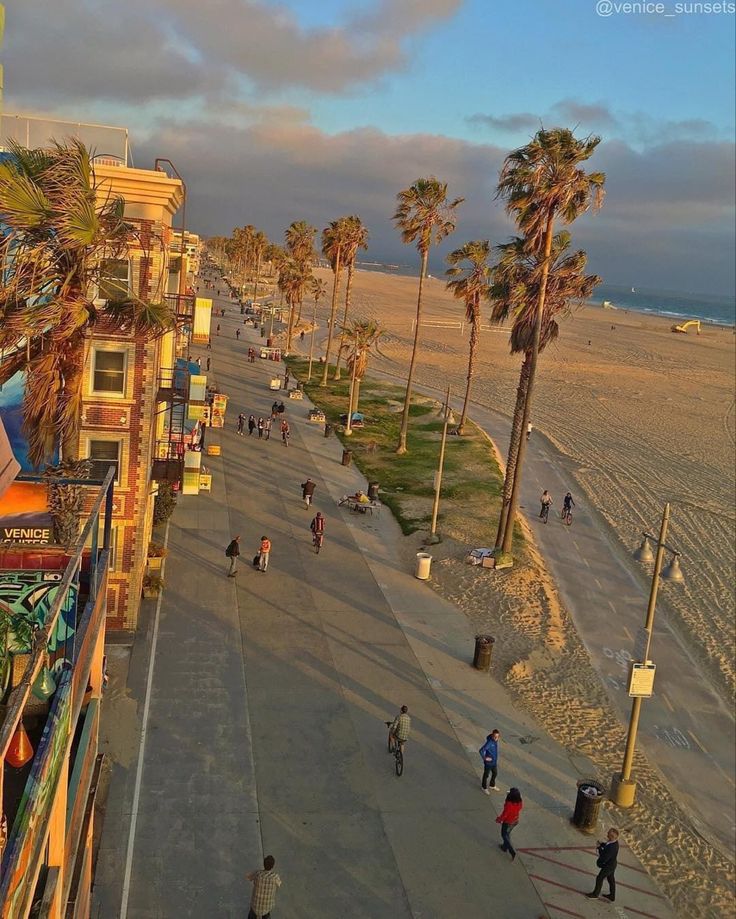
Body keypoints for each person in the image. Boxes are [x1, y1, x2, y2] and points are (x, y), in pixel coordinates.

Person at [586, 828, 619, 901]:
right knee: (611, 880)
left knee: (600, 878)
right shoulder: (614, 842)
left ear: (612, 836)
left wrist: (599, 848)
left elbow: (604, 857)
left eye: (609, 834)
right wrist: (602, 844)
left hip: (608, 866)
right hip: (612, 864)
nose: (607, 835)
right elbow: (607, 845)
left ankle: (595, 894)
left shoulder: (612, 848)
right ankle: (612, 896)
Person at [247, 854, 281, 919]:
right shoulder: (275, 877)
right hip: (267, 906)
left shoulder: (258, 874)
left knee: (252, 915)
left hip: (255, 905)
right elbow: (279, 885)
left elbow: (248, 877)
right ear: (272, 866)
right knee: (266, 914)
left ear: (264, 864)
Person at [496, 787, 523, 861]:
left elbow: (505, 814)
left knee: (504, 834)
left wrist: (499, 819)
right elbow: (520, 807)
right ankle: (504, 847)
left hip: (508, 822)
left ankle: (511, 849)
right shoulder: (519, 802)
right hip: (515, 820)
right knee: (508, 833)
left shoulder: (509, 804)